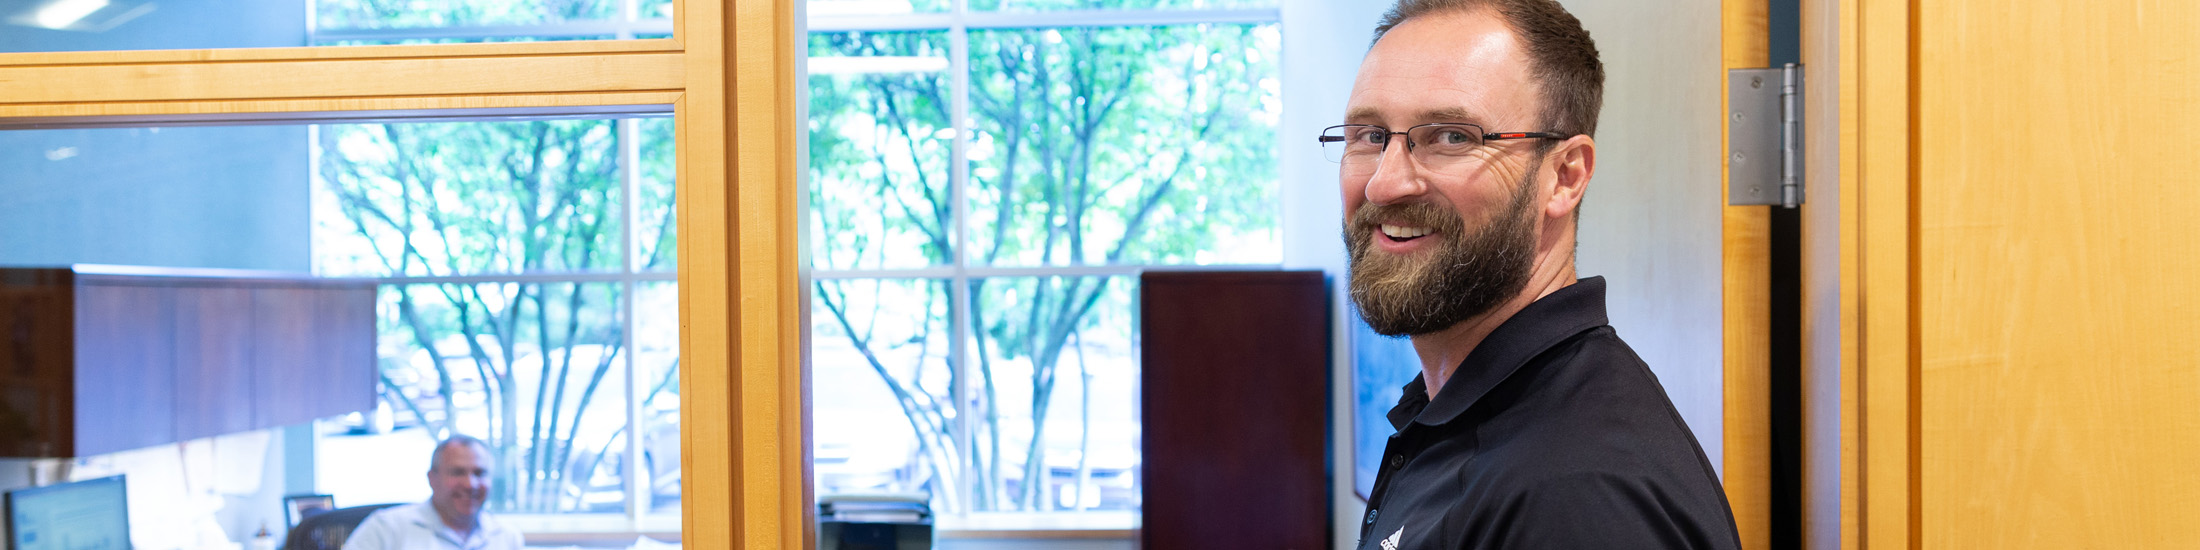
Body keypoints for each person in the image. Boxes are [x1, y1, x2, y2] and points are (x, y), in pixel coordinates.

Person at [1326, 1, 1743, 548]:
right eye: (1371, 136)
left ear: (1565, 176)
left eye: (1452, 136)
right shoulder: (1466, 418)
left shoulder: (1577, 496)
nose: (1385, 184)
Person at [343, 435, 523, 550]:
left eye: (479, 473)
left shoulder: (507, 537)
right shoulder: (385, 528)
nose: (470, 484)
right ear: (432, 478)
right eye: (457, 472)